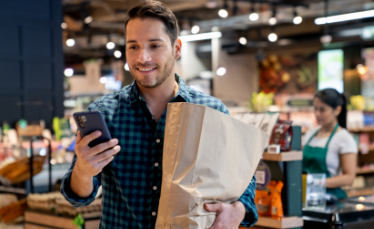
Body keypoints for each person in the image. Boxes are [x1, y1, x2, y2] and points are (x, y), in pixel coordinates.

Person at [60, 1, 258, 228]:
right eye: (133, 46)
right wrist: (83, 171)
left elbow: (244, 177)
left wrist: (239, 209)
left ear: (177, 49)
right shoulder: (103, 113)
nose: (142, 57)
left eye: (155, 45)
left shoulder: (211, 111)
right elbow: (77, 197)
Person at [303, 88, 358, 200]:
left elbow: (349, 178)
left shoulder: (344, 138)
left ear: (337, 110)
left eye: (322, 109)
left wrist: (316, 182)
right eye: (315, 108)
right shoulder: (310, 134)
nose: (317, 114)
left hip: (331, 199)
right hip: (307, 196)